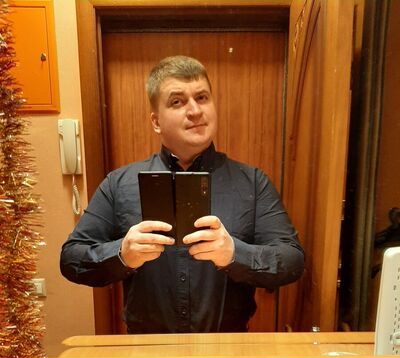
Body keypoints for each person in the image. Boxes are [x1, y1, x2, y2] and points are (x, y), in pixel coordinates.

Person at [60, 55, 304, 333]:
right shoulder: (120, 184)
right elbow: (71, 259)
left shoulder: (253, 183)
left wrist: (236, 254)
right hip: (145, 350)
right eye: (177, 101)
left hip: (229, 348)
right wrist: (121, 254)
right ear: (156, 121)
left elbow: (292, 260)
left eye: (202, 97)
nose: (195, 110)